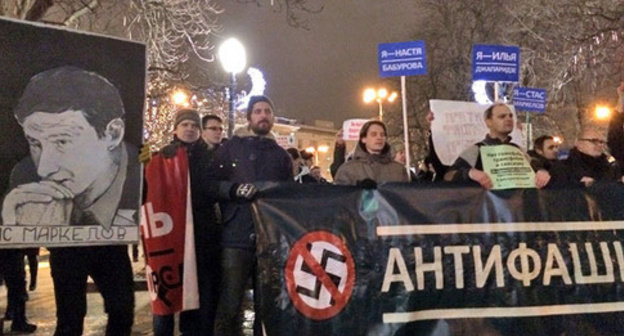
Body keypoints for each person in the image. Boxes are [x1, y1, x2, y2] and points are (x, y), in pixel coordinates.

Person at [2, 66, 137, 336]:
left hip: (109, 247)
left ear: (112, 134)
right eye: (35, 143)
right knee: (69, 320)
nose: (46, 168)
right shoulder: (25, 176)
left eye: (62, 141)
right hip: (67, 250)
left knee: (122, 311)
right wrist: (11, 220)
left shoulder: (136, 166)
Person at [209, 95, 292, 336]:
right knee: (230, 303)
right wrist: (232, 190)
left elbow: (288, 194)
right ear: (249, 117)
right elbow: (211, 183)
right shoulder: (231, 147)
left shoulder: (281, 156)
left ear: (273, 118)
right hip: (236, 236)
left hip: (269, 238)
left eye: (267, 111)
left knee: (266, 307)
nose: (263, 115)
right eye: (258, 111)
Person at [150, 109, 221, 336]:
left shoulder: (211, 157)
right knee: (165, 297)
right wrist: (145, 151)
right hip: (169, 236)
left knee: (197, 298)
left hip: (202, 236)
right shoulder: (161, 155)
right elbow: (140, 168)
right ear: (175, 129)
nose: (189, 129)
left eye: (194, 125)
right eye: (185, 125)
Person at [444, 103, 551, 189]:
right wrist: (470, 173)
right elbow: (448, 176)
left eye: (510, 116)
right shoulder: (476, 150)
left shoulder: (519, 150)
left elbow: (537, 166)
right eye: (502, 116)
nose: (508, 119)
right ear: (488, 122)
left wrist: (542, 172)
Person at [334, 120, 409, 185]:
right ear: (363, 139)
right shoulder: (348, 169)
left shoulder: (398, 170)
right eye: (374, 134)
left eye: (382, 135)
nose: (379, 138)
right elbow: (341, 197)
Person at [550, 127, 623, 187]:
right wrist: (581, 185)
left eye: (601, 142)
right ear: (578, 143)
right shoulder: (563, 168)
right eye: (593, 141)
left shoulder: (611, 168)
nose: (599, 145)